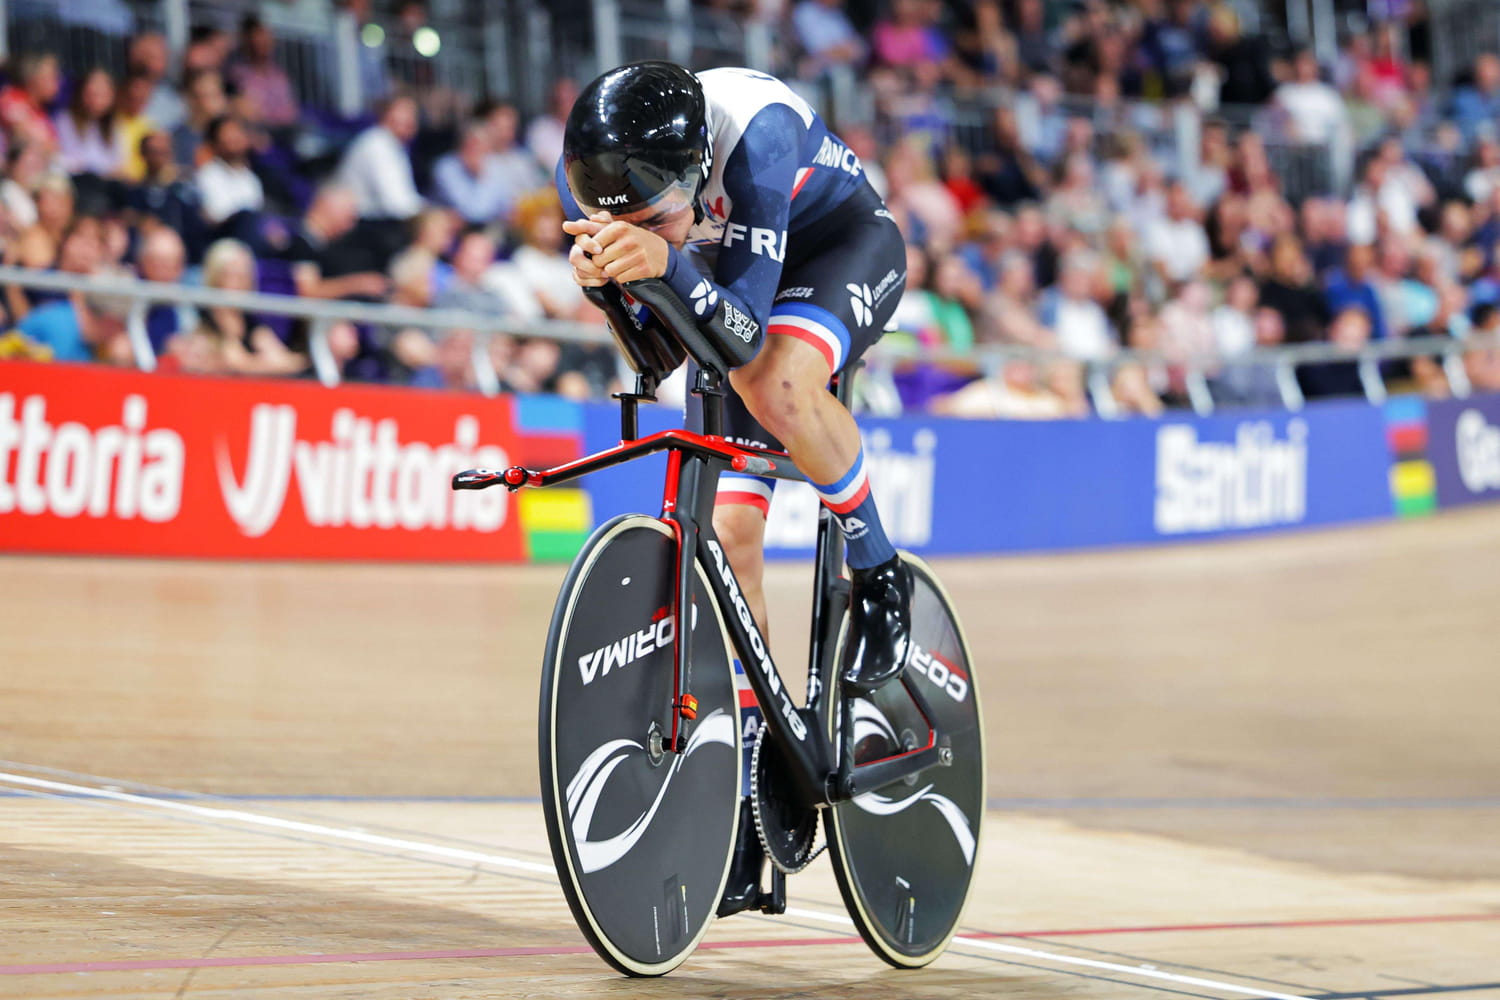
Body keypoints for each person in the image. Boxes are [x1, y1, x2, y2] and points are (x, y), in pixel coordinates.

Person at [558, 61, 912, 698]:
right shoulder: (592, 168)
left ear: (695, 173)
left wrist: (666, 263)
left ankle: (879, 570)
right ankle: (759, 738)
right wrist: (607, 291)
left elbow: (743, 333)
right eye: (621, 223)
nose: (634, 232)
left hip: (836, 247)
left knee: (774, 382)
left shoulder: (759, 134)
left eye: (655, 218)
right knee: (728, 536)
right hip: (723, 270)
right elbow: (656, 355)